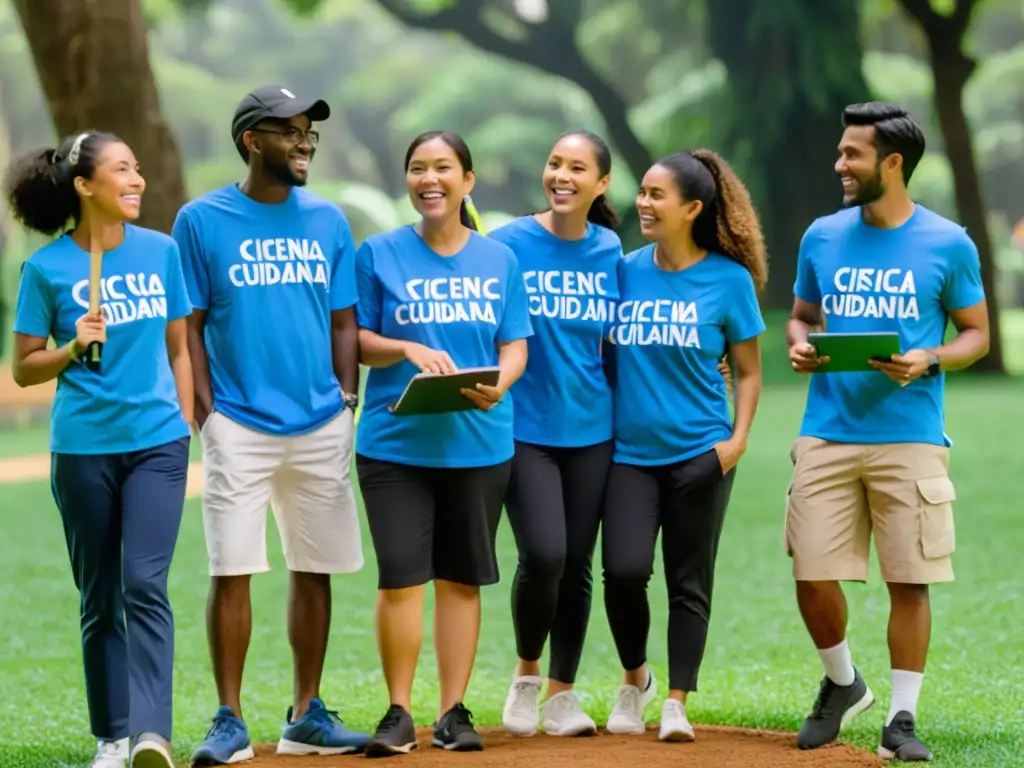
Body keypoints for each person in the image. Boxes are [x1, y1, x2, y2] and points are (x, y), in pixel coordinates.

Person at [785, 101, 989, 763]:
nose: (839, 164)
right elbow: (801, 316)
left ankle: (902, 719)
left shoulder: (948, 242)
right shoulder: (822, 235)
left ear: (892, 163)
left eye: (853, 154)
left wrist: (929, 357)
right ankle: (844, 683)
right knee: (810, 571)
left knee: (910, 578)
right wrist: (801, 345)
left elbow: (977, 335)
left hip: (911, 434)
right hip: (828, 430)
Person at [173, 85, 368, 766]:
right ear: (253, 141)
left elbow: (345, 321)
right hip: (239, 422)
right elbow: (191, 326)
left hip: (320, 421)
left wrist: (347, 402)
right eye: (288, 131)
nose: (304, 141)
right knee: (234, 568)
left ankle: (305, 715)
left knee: (314, 569)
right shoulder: (200, 221)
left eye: (308, 131)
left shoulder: (329, 221)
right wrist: (207, 411)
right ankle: (228, 722)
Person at [5, 130, 194, 768]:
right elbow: (25, 369)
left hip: (156, 445)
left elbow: (179, 346)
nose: (137, 180)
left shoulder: (162, 252)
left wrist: (187, 419)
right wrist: (70, 346)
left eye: (137, 168)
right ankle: (112, 734)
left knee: (145, 584)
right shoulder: (47, 269)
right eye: (122, 170)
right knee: (100, 596)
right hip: (83, 448)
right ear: (86, 186)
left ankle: (151, 734)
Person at [353, 130, 533, 756]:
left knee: (460, 580)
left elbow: (515, 344)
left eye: (443, 168)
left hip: (479, 444)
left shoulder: (498, 259)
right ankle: (399, 713)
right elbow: (356, 340)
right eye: (417, 169)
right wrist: (403, 347)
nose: (429, 179)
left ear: (468, 180)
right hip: (394, 446)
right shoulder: (377, 253)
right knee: (401, 579)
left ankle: (453, 711)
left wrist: (500, 384)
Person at [600, 149, 768, 743]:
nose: (643, 203)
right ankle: (635, 678)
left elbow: (749, 370)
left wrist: (736, 442)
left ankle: (676, 701)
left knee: (688, 581)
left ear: (692, 209)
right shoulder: (622, 270)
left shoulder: (728, 280)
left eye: (656, 195)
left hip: (702, 453)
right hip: (628, 455)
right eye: (641, 192)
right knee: (622, 572)